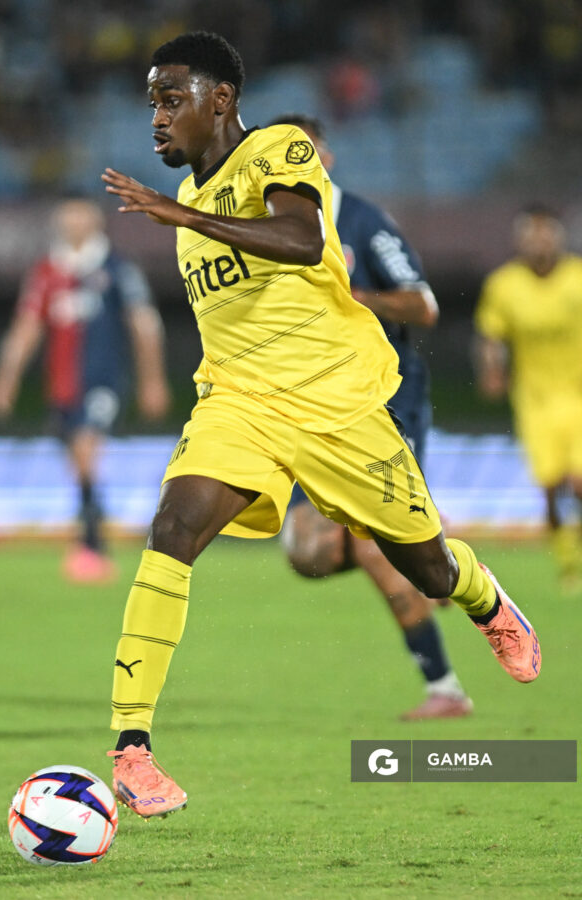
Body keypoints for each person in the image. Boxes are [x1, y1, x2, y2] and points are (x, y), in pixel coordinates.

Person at [101, 31, 540, 819]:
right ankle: (133, 748)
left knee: (429, 570)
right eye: (152, 104)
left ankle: (486, 599)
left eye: (172, 99)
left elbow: (303, 241)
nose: (157, 119)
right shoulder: (190, 207)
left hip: (338, 405)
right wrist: (184, 216)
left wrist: (181, 218)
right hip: (240, 403)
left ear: (221, 99)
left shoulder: (278, 147)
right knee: (171, 529)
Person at [268, 114, 472, 720]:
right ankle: (437, 555)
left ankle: (444, 685)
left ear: (324, 159)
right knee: (308, 553)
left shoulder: (362, 220)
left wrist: (356, 301)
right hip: (314, 406)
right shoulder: (266, 231)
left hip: (384, 401)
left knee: (369, 543)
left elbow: (424, 306)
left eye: (300, 151)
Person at [0, 197, 170, 581]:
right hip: (62, 385)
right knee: (75, 454)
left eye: (79, 213)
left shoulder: (116, 268)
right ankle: (92, 522)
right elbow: (26, 329)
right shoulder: (47, 271)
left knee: (87, 443)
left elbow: (144, 325)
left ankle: (90, 543)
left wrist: (152, 380)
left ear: (95, 220)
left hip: (103, 380)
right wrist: (6, 378)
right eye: (66, 214)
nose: (72, 221)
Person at [475, 205, 582, 586]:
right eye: (531, 234)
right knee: (551, 486)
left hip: (578, 396)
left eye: (545, 233)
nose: (539, 242)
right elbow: (491, 334)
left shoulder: (576, 277)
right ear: (520, 240)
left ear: (558, 236)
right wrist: (491, 371)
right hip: (534, 399)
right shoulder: (505, 284)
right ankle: (568, 562)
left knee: (580, 480)